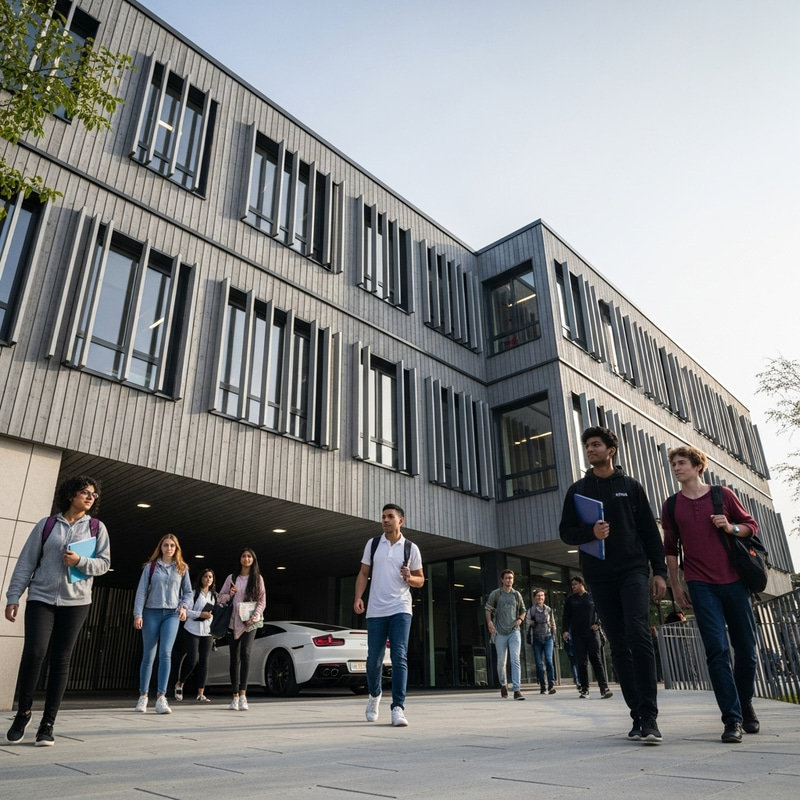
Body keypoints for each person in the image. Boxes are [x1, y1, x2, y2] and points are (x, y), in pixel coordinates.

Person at [559, 426, 667, 744]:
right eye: (587, 446)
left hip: (633, 570)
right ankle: (637, 715)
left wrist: (658, 571)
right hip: (598, 575)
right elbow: (566, 532)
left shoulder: (631, 487)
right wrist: (591, 533)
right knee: (618, 643)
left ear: (611, 449)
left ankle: (650, 715)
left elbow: (649, 532)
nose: (590, 449)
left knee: (637, 633)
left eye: (596, 444)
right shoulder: (578, 490)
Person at [663, 445, 761, 743]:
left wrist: (730, 527)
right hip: (700, 584)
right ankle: (731, 719)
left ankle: (744, 704)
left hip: (734, 581)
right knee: (716, 650)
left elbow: (751, 526)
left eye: (682, 463)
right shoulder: (671, 505)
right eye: (674, 464)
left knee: (747, 651)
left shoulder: (722, 495)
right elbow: (670, 549)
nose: (677, 468)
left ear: (697, 466)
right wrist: (676, 586)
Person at [5, 476, 110, 746]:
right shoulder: (47, 524)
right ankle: (23, 712)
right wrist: (13, 596)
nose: (89, 497)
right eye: (84, 492)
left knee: (61, 660)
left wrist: (80, 561)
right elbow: (26, 562)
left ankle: (47, 723)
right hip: (41, 598)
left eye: (93, 494)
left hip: (76, 603)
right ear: (70, 495)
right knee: (34, 653)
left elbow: (103, 565)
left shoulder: (97, 528)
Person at [354, 504, 424, 727]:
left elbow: (420, 580)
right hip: (376, 609)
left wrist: (409, 578)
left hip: (401, 607)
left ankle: (398, 708)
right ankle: (374, 695)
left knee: (399, 656)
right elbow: (364, 573)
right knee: (373, 658)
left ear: (400, 521)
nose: (385, 520)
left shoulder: (411, 548)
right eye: (383, 516)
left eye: (390, 517)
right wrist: (358, 597)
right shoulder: (373, 544)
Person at [133, 534, 192, 714]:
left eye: (172, 546)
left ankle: (161, 697)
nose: (169, 548)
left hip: (172, 615)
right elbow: (141, 591)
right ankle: (143, 696)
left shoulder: (182, 568)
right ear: (161, 547)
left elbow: (188, 592)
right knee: (149, 655)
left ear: (176, 548)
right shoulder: (150, 568)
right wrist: (138, 614)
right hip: (151, 612)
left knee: (166, 653)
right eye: (166, 545)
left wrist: (183, 607)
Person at [218, 548, 266, 711]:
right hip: (233, 622)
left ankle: (244, 695)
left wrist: (256, 615)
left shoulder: (257, 579)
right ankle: (235, 696)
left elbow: (262, 600)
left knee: (246, 654)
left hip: (250, 622)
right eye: (244, 556)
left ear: (253, 560)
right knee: (234, 659)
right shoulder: (232, 578)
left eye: (249, 557)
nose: (246, 559)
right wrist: (230, 594)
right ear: (240, 559)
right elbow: (221, 598)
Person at [561, 576, 612, 700]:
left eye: (575, 584)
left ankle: (604, 688)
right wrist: (565, 631)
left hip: (592, 634)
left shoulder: (591, 597)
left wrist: (597, 623)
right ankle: (584, 689)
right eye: (572, 584)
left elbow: (601, 611)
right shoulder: (570, 600)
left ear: (582, 584)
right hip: (578, 635)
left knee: (596, 660)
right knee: (581, 662)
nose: (573, 586)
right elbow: (566, 616)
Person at [174, 568, 216, 703]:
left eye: (210, 577)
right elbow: (186, 612)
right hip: (192, 629)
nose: (208, 579)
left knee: (205, 662)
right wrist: (200, 614)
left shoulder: (214, 595)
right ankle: (180, 683)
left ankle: (201, 693)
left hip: (207, 631)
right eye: (206, 576)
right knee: (192, 660)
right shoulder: (193, 594)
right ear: (201, 578)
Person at [485, 569, 527, 700]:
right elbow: (487, 608)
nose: (509, 580)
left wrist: (520, 619)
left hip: (514, 631)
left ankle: (517, 689)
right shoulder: (496, 594)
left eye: (511, 578)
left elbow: (523, 610)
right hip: (500, 632)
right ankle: (503, 684)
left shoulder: (516, 595)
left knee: (515, 660)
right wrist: (489, 623)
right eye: (507, 578)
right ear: (502, 580)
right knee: (501, 662)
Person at [526, 588, 557, 695]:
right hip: (537, 639)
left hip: (548, 637)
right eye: (538, 596)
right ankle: (543, 686)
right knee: (539, 664)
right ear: (535, 597)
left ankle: (551, 684)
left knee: (549, 660)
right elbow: (527, 623)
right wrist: (531, 624)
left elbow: (553, 623)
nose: (540, 598)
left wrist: (554, 633)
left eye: (542, 596)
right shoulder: (531, 610)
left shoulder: (548, 609)